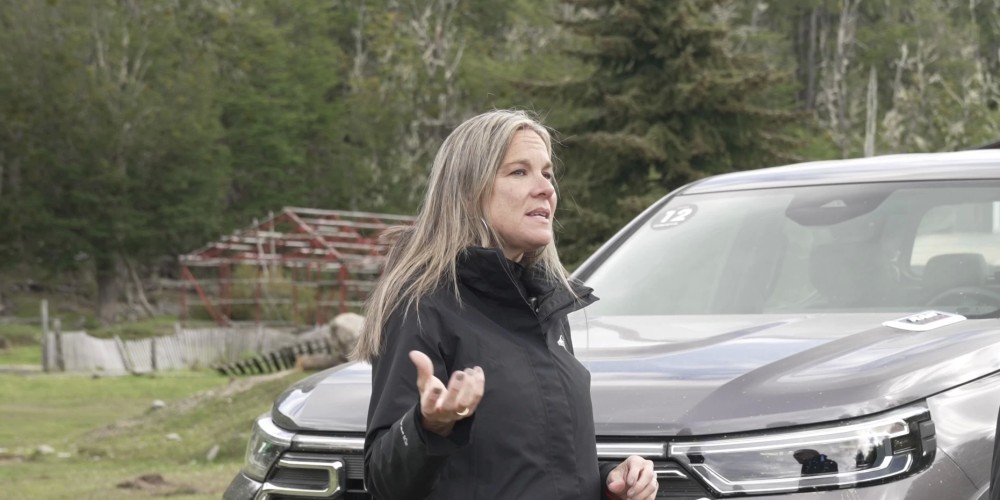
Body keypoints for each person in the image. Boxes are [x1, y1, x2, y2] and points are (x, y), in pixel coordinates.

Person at [352, 109, 658, 499]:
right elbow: (383, 480)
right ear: (468, 191)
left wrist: (611, 481)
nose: (545, 188)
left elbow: (530, 469)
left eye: (547, 173)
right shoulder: (422, 306)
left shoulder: (545, 310)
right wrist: (429, 426)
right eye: (519, 172)